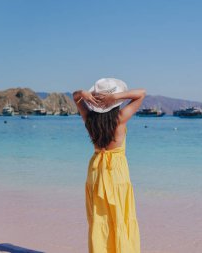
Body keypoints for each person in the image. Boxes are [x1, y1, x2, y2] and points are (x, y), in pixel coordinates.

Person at [73, 78, 145, 253]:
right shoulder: (120, 119)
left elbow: (75, 97)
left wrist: (83, 94)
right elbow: (141, 94)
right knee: (121, 217)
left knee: (99, 219)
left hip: (96, 173)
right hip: (116, 173)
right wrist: (116, 97)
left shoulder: (89, 119)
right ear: (114, 102)